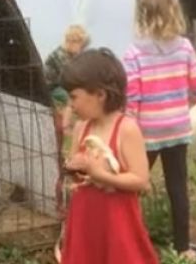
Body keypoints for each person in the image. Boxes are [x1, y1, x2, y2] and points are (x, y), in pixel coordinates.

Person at [123, 0, 196, 260]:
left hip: (146, 133)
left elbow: (131, 99)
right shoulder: (184, 48)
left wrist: (125, 133)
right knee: (178, 188)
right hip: (178, 129)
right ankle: (183, 247)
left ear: (141, 13)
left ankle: (130, 240)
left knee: (133, 186)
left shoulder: (134, 53)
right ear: (173, 9)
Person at [59, 48, 159, 264]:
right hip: (85, 218)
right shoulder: (81, 128)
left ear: (100, 95)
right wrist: (74, 167)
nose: (71, 105)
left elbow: (140, 180)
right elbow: (78, 168)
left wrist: (102, 176)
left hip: (116, 223)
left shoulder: (127, 129)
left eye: (74, 97)